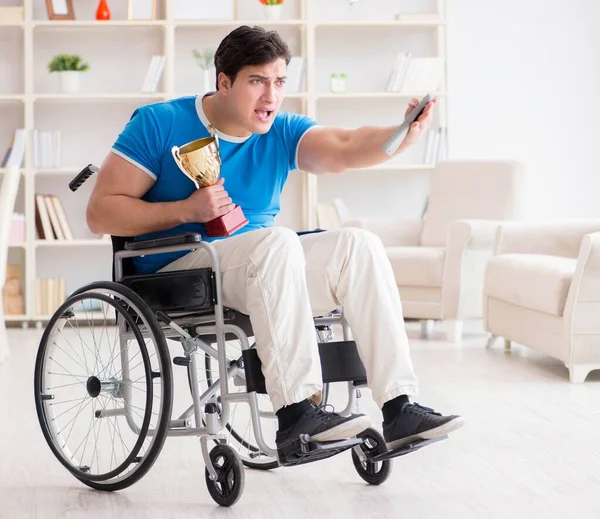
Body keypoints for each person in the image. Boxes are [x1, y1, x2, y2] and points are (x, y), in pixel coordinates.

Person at [86, 25, 464, 454]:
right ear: (224, 82)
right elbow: (100, 212)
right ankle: (296, 414)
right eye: (257, 81)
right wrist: (185, 210)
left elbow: (343, 145)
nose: (271, 96)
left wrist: (401, 136)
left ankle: (399, 407)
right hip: (178, 270)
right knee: (277, 242)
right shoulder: (161, 123)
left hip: (262, 268)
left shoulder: (280, 131)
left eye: (279, 82)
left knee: (358, 245)